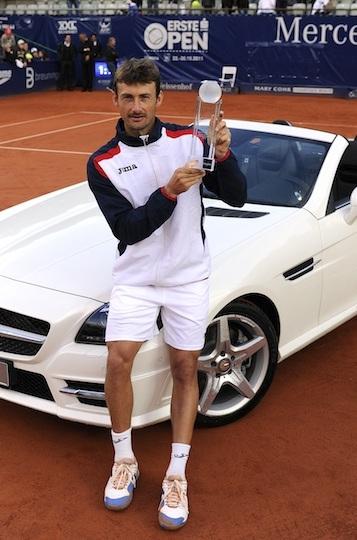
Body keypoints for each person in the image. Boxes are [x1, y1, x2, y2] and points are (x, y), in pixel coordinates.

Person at [87, 58, 246, 530]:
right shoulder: (101, 163)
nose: (136, 106)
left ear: (159, 99)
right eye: (127, 97)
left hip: (187, 278)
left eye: (144, 97)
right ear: (114, 99)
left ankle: (176, 473)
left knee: (183, 367)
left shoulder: (190, 140)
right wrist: (169, 191)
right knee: (118, 359)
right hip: (135, 278)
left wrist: (224, 153)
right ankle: (124, 461)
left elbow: (235, 195)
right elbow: (129, 230)